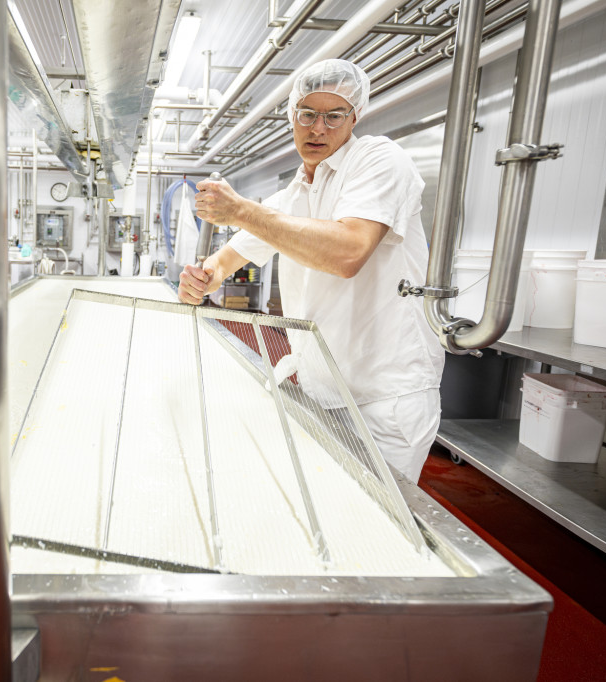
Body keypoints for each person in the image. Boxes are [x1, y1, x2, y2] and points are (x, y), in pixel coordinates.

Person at [177, 59, 443, 483]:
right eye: (307, 114)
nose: (319, 128)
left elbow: (348, 252)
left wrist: (242, 210)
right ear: (291, 117)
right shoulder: (295, 193)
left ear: (354, 116)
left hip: (382, 399)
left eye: (334, 115)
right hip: (322, 388)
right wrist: (199, 279)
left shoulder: (380, 160)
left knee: (371, 530)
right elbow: (225, 261)